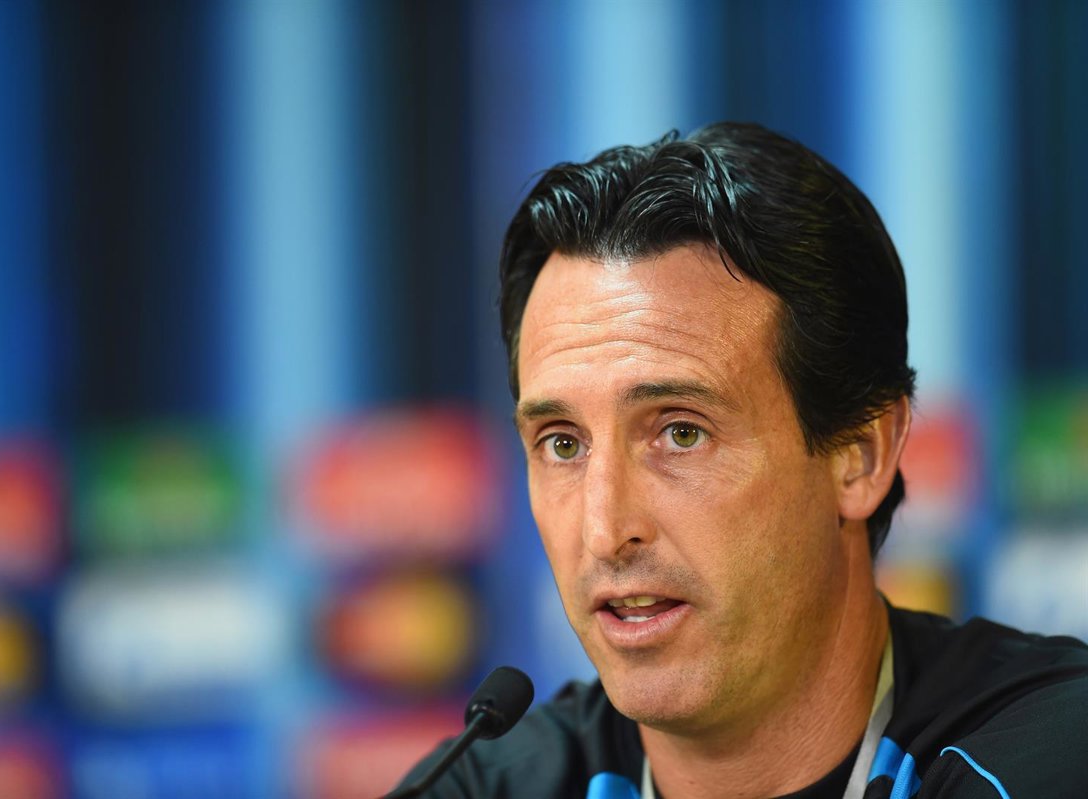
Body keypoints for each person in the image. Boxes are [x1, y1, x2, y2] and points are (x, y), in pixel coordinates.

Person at [398, 123, 1088, 798]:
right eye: (563, 443)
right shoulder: (481, 783)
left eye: (681, 433)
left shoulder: (1047, 755)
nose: (604, 530)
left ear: (861, 454)